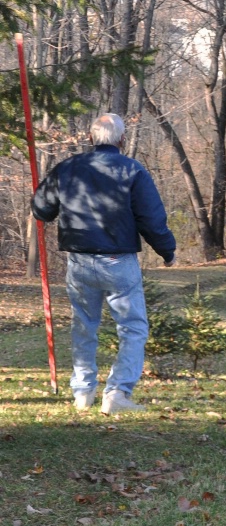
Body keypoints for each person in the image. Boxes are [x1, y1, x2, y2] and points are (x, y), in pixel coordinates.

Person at [32, 113, 177, 415]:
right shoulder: (132, 170)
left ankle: (83, 392)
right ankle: (118, 393)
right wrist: (167, 250)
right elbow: (151, 218)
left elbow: (42, 210)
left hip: (79, 261)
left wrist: (44, 199)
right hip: (118, 260)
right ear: (121, 140)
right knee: (133, 327)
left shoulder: (67, 168)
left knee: (84, 325)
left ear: (90, 138)